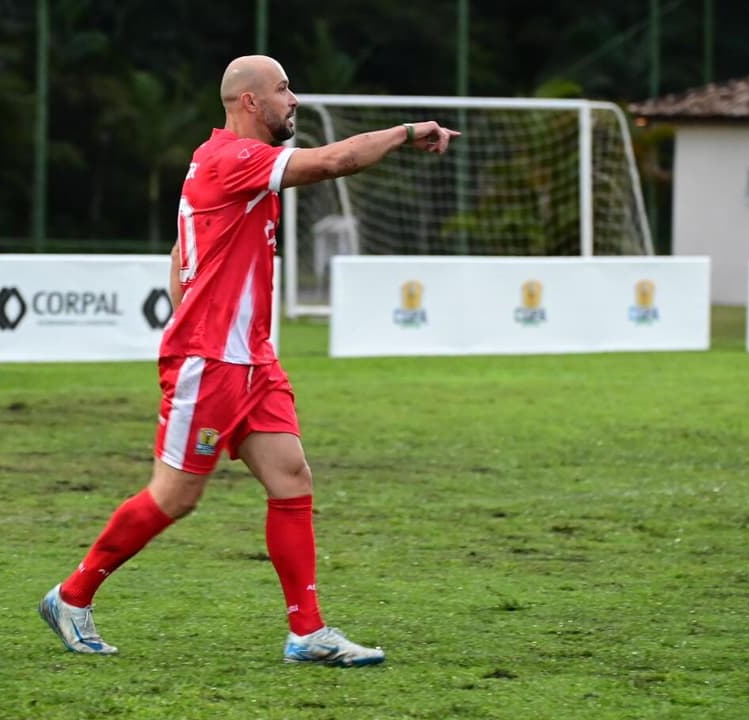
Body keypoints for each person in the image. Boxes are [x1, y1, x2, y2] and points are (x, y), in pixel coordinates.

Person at [39, 54, 460, 667]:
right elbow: (335, 162)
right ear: (251, 102)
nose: (295, 100)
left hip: (252, 361)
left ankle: (307, 633)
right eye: (284, 89)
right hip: (211, 363)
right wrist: (406, 131)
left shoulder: (225, 161)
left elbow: (180, 253)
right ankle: (71, 597)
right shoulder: (233, 158)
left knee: (291, 478)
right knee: (175, 496)